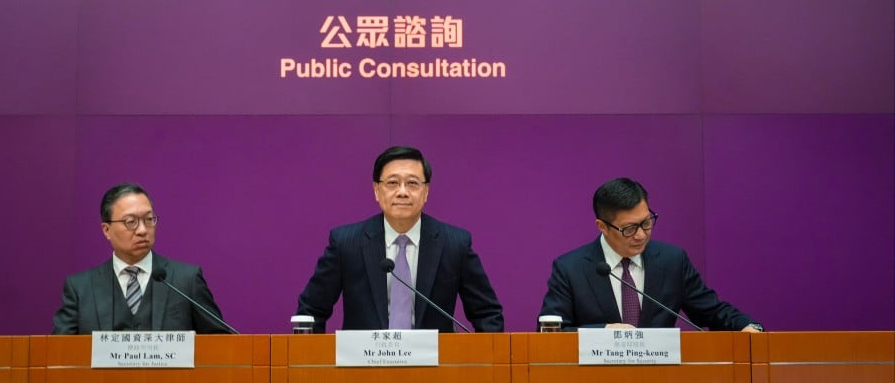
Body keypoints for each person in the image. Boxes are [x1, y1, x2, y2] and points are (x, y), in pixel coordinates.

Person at [295, 146, 504, 332]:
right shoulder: (347, 243)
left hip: (435, 370)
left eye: (412, 183)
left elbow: (488, 315)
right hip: (364, 369)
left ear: (426, 192)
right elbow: (310, 312)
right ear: (377, 190)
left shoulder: (454, 244)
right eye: (392, 183)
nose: (402, 192)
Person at [538, 177, 763, 332]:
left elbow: (712, 311)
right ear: (602, 227)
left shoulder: (672, 260)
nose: (640, 235)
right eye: (629, 229)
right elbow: (550, 330)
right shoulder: (570, 268)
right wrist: (603, 332)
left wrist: (747, 326)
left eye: (646, 222)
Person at [52, 182, 231, 334]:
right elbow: (58, 354)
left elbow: (220, 343)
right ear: (106, 230)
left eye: (149, 219)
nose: (143, 230)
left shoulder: (186, 280)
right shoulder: (80, 288)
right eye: (131, 222)